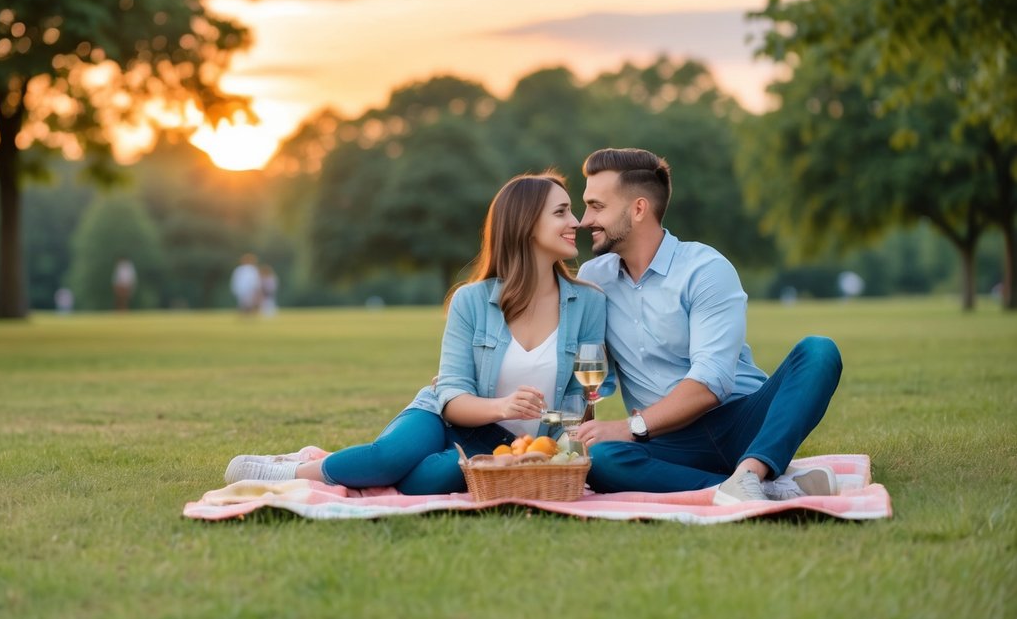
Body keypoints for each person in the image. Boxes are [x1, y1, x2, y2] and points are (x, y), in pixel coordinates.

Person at [223, 172, 606, 494]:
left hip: (510, 446)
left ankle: (341, 464)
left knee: (430, 477)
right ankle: (291, 471)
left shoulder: (588, 303)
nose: (576, 222)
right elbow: (451, 395)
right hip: (443, 416)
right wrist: (502, 406)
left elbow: (580, 403)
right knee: (386, 459)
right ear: (525, 224)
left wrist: (549, 450)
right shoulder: (471, 301)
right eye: (561, 212)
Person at [574, 148, 842, 504]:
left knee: (819, 351)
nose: (583, 219)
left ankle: (749, 471)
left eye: (597, 206)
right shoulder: (594, 279)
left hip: (740, 421)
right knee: (601, 460)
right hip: (665, 440)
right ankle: (751, 486)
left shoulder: (705, 269)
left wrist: (628, 427)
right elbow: (592, 371)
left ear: (639, 209)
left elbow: (711, 383)